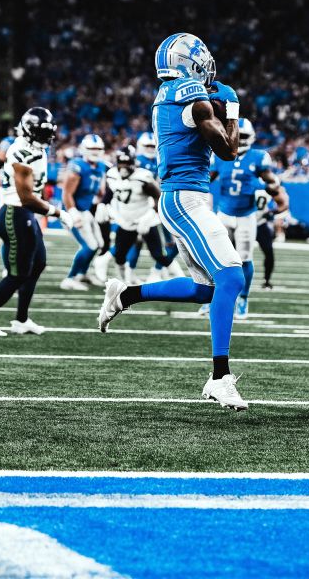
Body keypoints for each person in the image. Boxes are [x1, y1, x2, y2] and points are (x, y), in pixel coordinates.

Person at [96, 32, 249, 410]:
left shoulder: (172, 94)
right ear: (191, 61)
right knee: (231, 277)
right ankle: (219, 377)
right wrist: (231, 109)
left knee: (206, 289)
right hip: (185, 200)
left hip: (184, 198)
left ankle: (125, 294)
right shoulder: (190, 96)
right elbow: (229, 150)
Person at [0, 108, 74, 336]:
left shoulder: (31, 147)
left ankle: (21, 319)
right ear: (28, 131)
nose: (46, 136)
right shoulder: (24, 153)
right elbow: (26, 198)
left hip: (23, 214)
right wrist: (58, 213)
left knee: (37, 264)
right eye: (40, 131)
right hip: (15, 213)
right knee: (17, 273)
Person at [206, 118, 288, 319]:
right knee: (216, 257)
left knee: (244, 258)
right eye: (238, 135)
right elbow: (207, 179)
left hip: (246, 215)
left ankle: (243, 298)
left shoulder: (258, 157)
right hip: (224, 212)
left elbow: (272, 180)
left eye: (243, 136)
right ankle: (212, 298)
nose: (240, 139)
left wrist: (272, 184)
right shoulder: (220, 155)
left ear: (250, 137)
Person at [105, 147, 171, 284]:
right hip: (126, 221)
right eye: (121, 163)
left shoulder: (143, 177)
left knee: (158, 255)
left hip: (146, 218)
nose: (123, 167)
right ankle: (123, 282)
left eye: (127, 163)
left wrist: (148, 217)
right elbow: (109, 195)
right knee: (119, 255)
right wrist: (103, 206)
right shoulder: (111, 174)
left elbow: (159, 198)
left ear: (134, 162)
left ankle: (180, 270)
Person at [59, 134, 107, 290]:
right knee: (89, 246)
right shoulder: (77, 166)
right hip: (72, 211)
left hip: (86, 211)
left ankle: (82, 273)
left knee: (99, 244)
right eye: (92, 148)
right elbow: (66, 194)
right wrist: (72, 212)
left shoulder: (100, 166)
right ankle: (70, 278)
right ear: (84, 149)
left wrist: (101, 204)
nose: (95, 151)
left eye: (98, 148)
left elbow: (100, 191)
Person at [134, 130, 183, 281]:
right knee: (139, 240)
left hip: (158, 204)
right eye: (147, 145)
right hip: (142, 206)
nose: (149, 148)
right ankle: (158, 269)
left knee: (168, 238)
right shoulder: (136, 161)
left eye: (152, 145)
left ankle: (163, 269)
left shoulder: (158, 159)